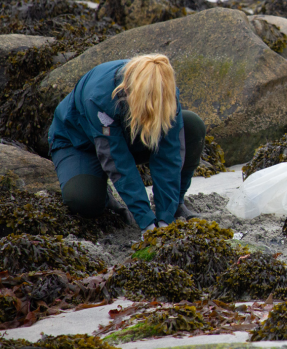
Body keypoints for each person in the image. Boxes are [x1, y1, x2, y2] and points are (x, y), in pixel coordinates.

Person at [48, 54, 206, 231]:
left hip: (130, 134)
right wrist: (146, 221)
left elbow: (169, 156)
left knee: (191, 126)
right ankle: (105, 196)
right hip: (80, 143)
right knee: (84, 200)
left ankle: (175, 206)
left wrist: (164, 221)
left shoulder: (165, 89)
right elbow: (118, 162)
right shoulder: (99, 97)